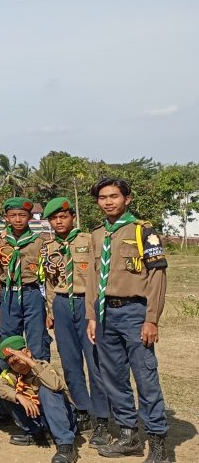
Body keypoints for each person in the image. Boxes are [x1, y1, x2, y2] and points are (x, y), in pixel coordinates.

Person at [85, 178, 169, 462]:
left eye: (114, 196)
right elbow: (93, 279)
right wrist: (92, 317)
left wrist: (152, 318)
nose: (108, 201)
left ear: (127, 199)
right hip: (105, 314)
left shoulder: (142, 230)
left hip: (135, 312)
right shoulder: (97, 235)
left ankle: (158, 442)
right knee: (114, 378)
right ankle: (128, 435)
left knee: (145, 377)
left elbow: (157, 276)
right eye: (103, 197)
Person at [42, 196, 108, 439]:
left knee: (95, 363)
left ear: (72, 217)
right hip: (61, 304)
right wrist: (50, 310)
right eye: (54, 218)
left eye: (63, 217)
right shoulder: (48, 246)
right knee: (70, 364)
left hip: (86, 304)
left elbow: (99, 275)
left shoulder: (88, 241)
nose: (58, 222)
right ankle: (83, 410)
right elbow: (49, 282)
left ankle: (102, 416)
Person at [0, 335, 78, 463]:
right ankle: (38, 434)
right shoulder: (14, 375)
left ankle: (66, 445)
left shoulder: (44, 367)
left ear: (27, 352)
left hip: (63, 417)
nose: (17, 365)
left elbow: (55, 385)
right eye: (12, 364)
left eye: (18, 359)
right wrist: (19, 396)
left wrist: (30, 362)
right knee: (8, 395)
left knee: (46, 390)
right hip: (42, 418)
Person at [0, 197, 50, 361]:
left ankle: (39, 381)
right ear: (6, 217)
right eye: (13, 215)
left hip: (32, 294)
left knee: (37, 340)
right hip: (8, 295)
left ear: (30, 217)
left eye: (22, 215)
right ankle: (12, 382)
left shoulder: (39, 242)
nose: (18, 219)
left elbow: (46, 278)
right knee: (9, 341)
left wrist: (48, 308)